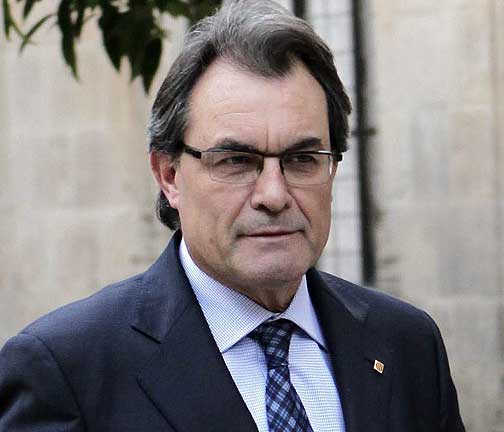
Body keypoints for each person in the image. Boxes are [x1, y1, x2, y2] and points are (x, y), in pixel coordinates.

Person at [0, 1, 465, 431]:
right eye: (236, 161)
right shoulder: (68, 371)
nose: (274, 195)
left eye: (302, 159)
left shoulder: (407, 345)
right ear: (169, 175)